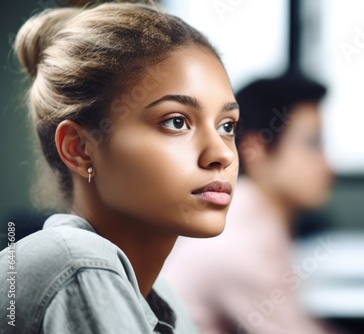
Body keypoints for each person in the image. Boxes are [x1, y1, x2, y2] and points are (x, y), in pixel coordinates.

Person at [0, 1, 239, 333]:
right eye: (176, 121)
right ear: (80, 149)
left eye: (227, 126)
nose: (221, 155)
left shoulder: (160, 296)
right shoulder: (79, 264)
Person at [161, 71, 342, 333]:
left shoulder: (248, 218)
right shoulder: (237, 243)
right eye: (312, 144)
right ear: (254, 148)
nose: (328, 167)